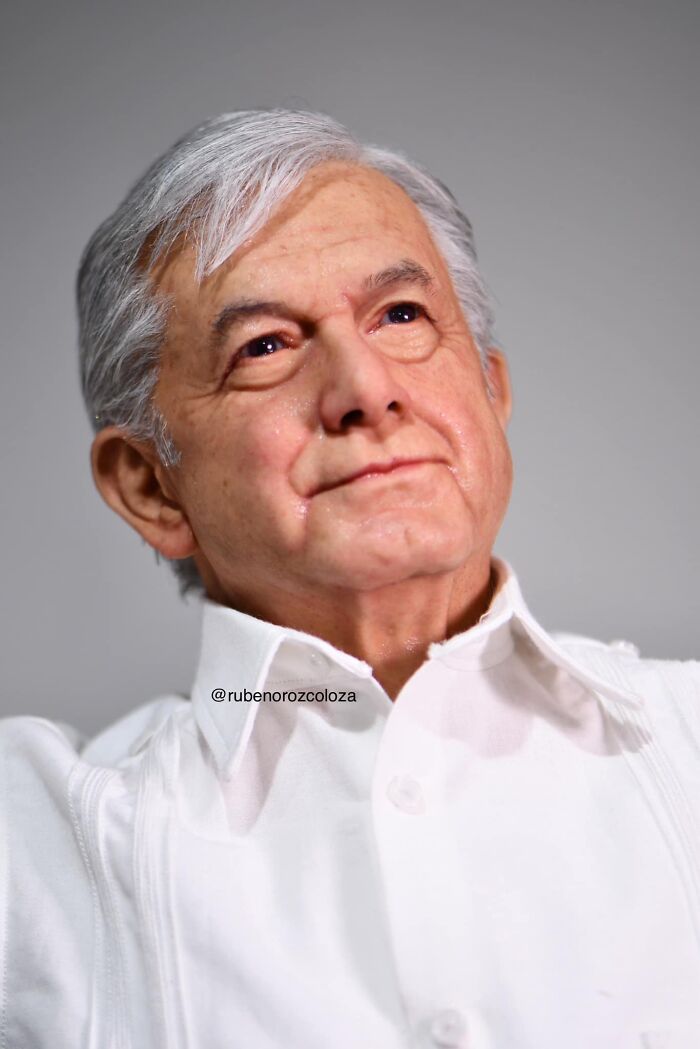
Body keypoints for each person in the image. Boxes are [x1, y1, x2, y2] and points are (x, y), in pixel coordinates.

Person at [2, 109, 699, 1049]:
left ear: (491, 391)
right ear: (151, 486)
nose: (366, 388)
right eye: (265, 346)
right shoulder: (29, 850)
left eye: (402, 315)